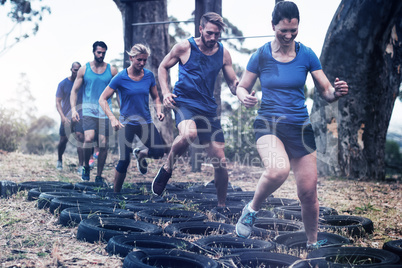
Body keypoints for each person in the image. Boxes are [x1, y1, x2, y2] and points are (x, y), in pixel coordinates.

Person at [234, 1, 349, 249]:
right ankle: (251, 209)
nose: (288, 35)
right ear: (272, 25)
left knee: (308, 193)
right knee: (278, 170)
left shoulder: (306, 54)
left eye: (293, 31)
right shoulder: (261, 55)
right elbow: (242, 87)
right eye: (283, 30)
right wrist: (246, 97)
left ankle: (312, 242)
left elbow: (326, 90)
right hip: (268, 124)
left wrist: (336, 92)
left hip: (300, 127)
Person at [153, 12, 239, 207]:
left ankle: (221, 206)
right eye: (209, 33)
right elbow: (162, 67)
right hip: (184, 102)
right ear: (200, 29)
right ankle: (167, 167)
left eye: (217, 34)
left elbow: (233, 82)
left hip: (208, 109)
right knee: (189, 134)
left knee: (220, 161)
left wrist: (240, 89)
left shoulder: (223, 53)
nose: (213, 38)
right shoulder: (184, 47)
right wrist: (166, 92)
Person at [99, 44, 165, 192]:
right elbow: (102, 99)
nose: (142, 63)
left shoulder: (148, 76)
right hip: (126, 124)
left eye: (144, 60)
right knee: (124, 160)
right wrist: (113, 118)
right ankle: (115, 194)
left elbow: (156, 97)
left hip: (145, 122)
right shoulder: (120, 77)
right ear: (131, 58)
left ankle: (141, 154)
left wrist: (159, 110)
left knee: (159, 151)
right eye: (139, 60)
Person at [70, 41, 118, 182]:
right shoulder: (84, 69)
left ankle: (98, 175)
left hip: (105, 111)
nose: (101, 55)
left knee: (103, 144)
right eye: (98, 52)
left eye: (103, 52)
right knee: (89, 138)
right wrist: (73, 110)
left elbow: (118, 92)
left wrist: (121, 111)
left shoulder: (112, 71)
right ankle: (86, 166)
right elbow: (74, 90)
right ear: (93, 52)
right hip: (88, 111)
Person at [55, 62, 84, 172]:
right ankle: (59, 160)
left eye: (78, 70)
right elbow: (57, 102)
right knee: (63, 140)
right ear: (71, 69)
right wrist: (62, 117)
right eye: (75, 70)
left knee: (80, 138)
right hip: (66, 116)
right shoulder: (63, 83)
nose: (76, 72)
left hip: (79, 116)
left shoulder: (83, 83)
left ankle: (81, 166)